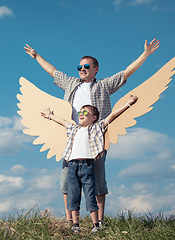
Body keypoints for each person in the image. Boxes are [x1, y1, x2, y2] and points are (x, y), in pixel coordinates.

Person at [24, 39, 159, 225]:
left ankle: (99, 222)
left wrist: (145, 54)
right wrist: (36, 56)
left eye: (86, 66)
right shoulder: (71, 83)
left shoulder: (103, 86)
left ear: (96, 69)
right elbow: (52, 71)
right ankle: (71, 221)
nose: (82, 69)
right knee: (66, 180)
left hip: (96, 139)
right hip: (72, 138)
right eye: (79, 66)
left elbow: (126, 73)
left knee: (98, 180)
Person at [41, 95, 138, 233]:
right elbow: (62, 122)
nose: (81, 114)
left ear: (94, 117)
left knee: (90, 195)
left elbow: (112, 116)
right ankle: (75, 225)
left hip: (87, 166)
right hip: (72, 165)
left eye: (85, 112)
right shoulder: (74, 129)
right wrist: (50, 116)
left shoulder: (97, 128)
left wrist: (128, 104)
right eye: (80, 112)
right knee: (73, 195)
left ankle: (96, 225)